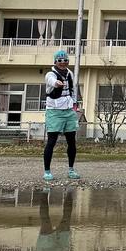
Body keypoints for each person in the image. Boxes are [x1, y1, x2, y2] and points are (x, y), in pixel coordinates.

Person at [43, 49, 80, 182]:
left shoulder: (70, 73)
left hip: (69, 110)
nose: (63, 63)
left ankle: (71, 169)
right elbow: (51, 81)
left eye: (65, 60)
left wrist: (75, 104)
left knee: (72, 141)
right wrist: (57, 83)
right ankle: (47, 171)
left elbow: (73, 89)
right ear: (55, 61)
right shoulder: (50, 74)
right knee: (51, 141)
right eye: (60, 60)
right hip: (54, 110)